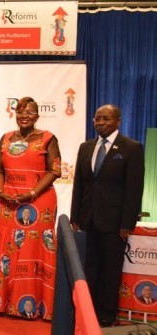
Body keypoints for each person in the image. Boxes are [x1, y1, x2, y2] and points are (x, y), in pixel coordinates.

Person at [0, 97, 61, 320]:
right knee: (3, 250)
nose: (24, 116)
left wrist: (31, 193)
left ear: (37, 115)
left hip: (38, 203)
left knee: (32, 250)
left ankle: (34, 306)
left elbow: (54, 171)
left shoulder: (48, 138)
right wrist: (1, 192)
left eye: (29, 112)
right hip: (7, 202)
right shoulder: (5, 138)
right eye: (20, 112)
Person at [70, 104, 144, 327]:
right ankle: (87, 312)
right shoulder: (86, 147)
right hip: (88, 220)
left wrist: (127, 223)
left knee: (110, 271)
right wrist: (75, 216)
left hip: (115, 224)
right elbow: (79, 185)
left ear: (118, 121)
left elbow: (134, 189)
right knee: (89, 269)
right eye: (97, 118)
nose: (100, 122)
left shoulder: (131, 148)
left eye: (106, 119)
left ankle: (106, 316)